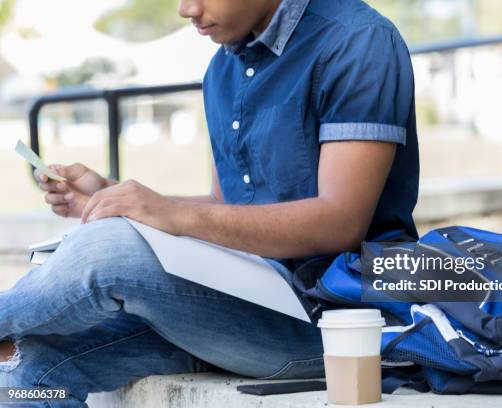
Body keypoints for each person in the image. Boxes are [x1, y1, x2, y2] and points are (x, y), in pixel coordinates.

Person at [0, 0, 419, 405]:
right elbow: (226, 206)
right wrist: (110, 196)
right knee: (31, 369)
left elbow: (340, 222)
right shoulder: (223, 68)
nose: (187, 9)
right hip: (234, 307)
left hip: (339, 325)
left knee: (105, 250)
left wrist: (170, 214)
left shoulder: (357, 41)